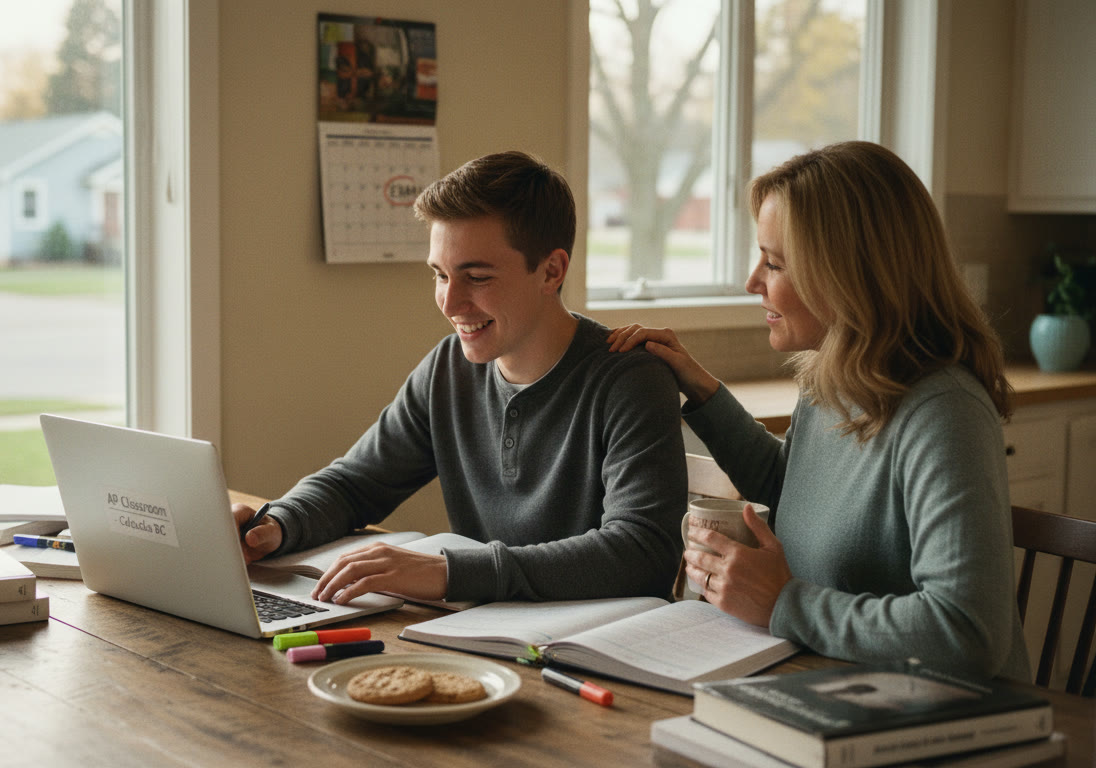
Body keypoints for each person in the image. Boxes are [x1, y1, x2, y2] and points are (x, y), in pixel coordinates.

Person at [607, 141, 1030, 681]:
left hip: (951, 725)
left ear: (849, 274)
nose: (752, 280)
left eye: (775, 262)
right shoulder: (834, 379)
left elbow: (968, 632)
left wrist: (785, 603)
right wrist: (702, 390)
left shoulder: (944, 411)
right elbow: (799, 489)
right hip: (838, 682)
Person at [235, 150, 687, 606]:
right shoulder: (449, 369)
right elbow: (356, 484)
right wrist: (276, 525)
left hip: (596, 648)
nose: (450, 304)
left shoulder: (631, 379)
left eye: (477, 277)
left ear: (551, 271)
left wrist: (450, 572)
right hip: (479, 634)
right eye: (440, 275)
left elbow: (643, 550)